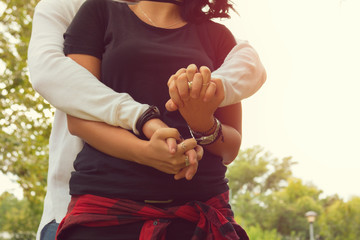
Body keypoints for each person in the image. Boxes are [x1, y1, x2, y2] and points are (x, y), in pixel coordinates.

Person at [27, 0, 266, 239]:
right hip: (107, 212)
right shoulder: (97, 11)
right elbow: (79, 118)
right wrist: (144, 150)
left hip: (199, 213)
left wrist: (202, 122)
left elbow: (231, 147)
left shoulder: (219, 35)